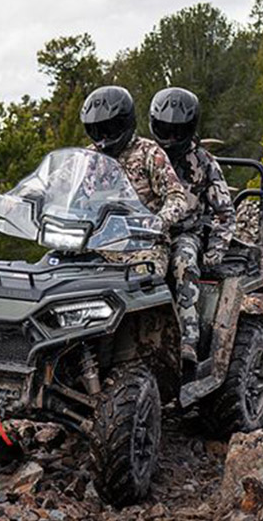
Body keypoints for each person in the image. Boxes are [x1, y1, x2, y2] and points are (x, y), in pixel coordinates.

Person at [149, 87, 236, 365]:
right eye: (166, 129)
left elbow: (224, 212)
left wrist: (215, 252)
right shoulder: (145, 156)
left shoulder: (203, 162)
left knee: (184, 263)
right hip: (141, 232)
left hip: (184, 233)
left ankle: (188, 339)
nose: (171, 137)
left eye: (178, 131)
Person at [80, 85, 188, 277]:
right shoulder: (88, 157)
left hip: (142, 244)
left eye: (109, 129)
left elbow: (177, 197)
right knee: (52, 270)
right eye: (98, 130)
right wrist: (33, 198)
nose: (104, 137)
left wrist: (159, 221)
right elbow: (61, 186)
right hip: (96, 242)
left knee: (145, 277)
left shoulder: (150, 153)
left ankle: (172, 308)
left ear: (124, 123)